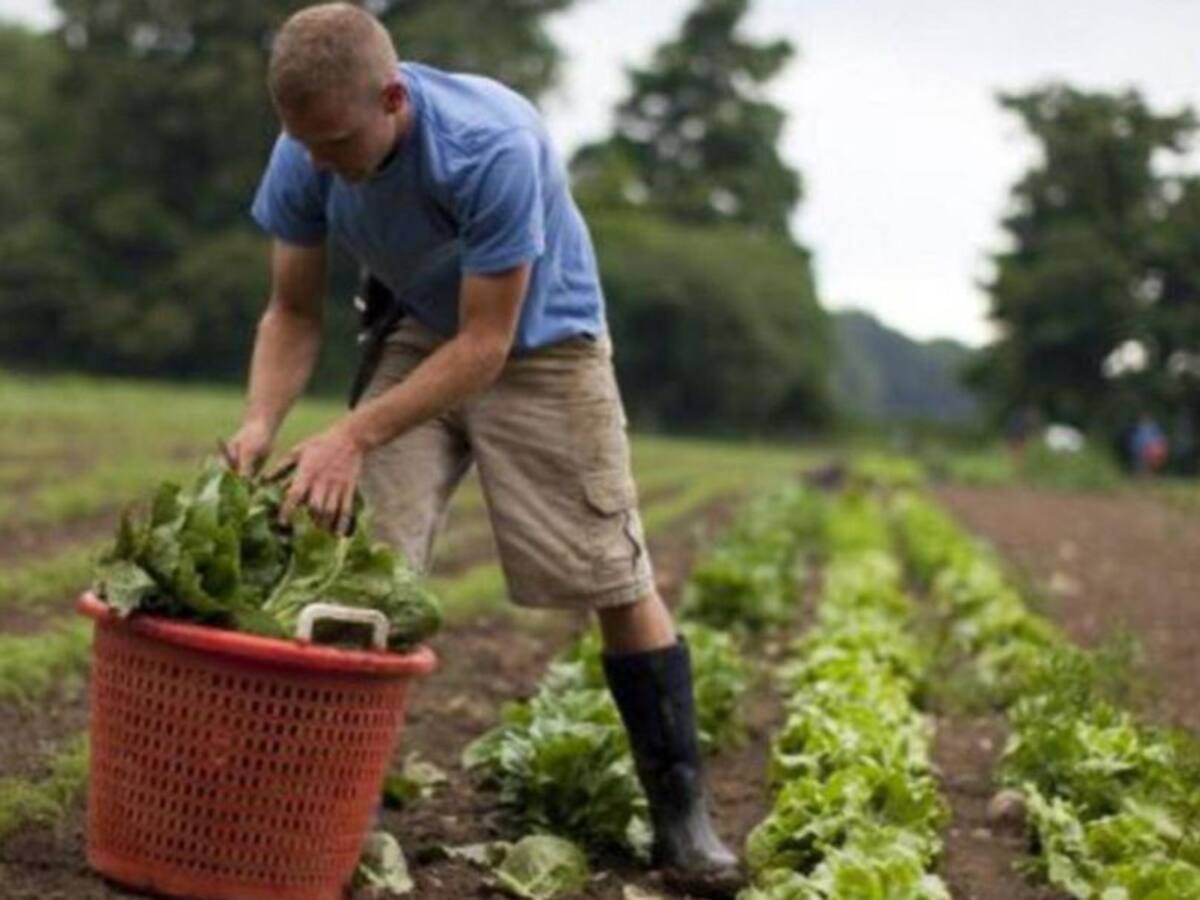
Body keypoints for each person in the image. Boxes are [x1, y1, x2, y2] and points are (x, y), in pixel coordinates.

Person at [223, 4, 743, 896]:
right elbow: (293, 312)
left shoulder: (490, 144)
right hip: (418, 334)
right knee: (355, 572)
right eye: (304, 142)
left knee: (610, 576)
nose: (319, 162)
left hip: (543, 348)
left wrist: (350, 431)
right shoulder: (308, 145)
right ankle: (313, 814)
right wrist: (261, 422)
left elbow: (486, 347)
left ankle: (683, 822)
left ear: (392, 97)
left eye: (337, 140)